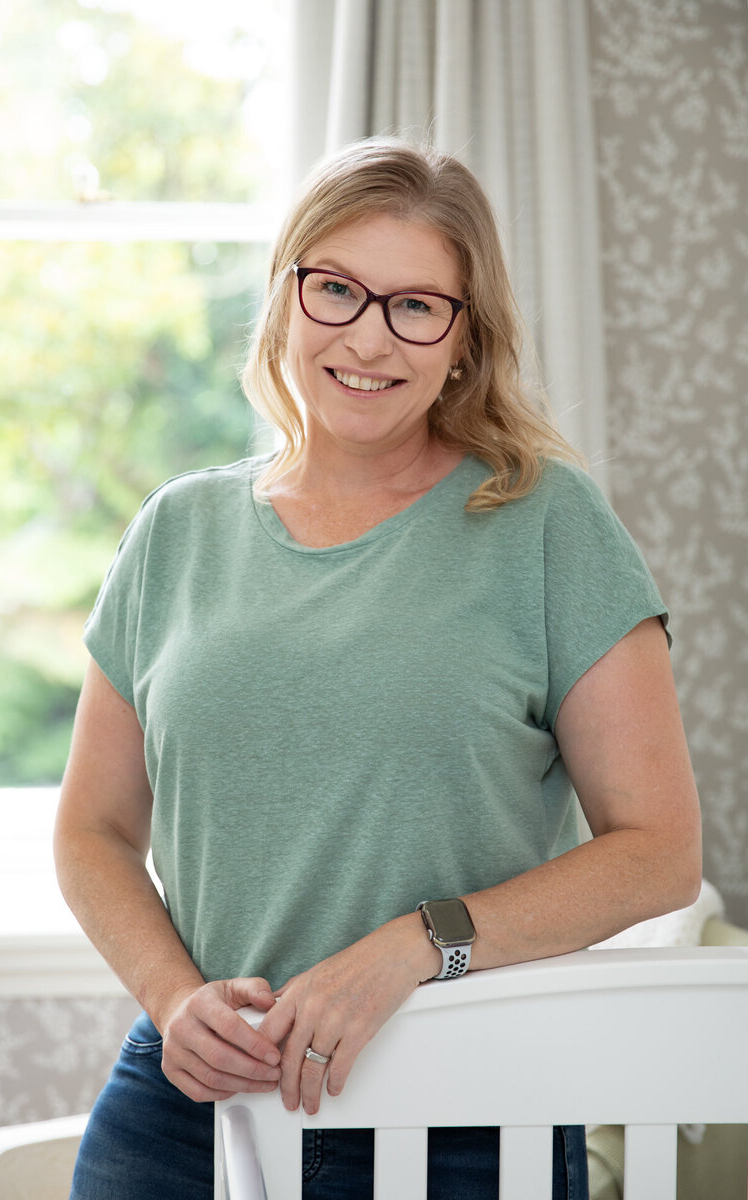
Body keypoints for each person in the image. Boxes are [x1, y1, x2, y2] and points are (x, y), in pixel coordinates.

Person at [55, 137, 702, 1200]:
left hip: (461, 1113)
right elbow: (92, 830)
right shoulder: (176, 531)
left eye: (414, 306)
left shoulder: (546, 526)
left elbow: (655, 854)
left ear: (463, 340)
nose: (368, 335)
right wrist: (175, 1001)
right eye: (337, 290)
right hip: (192, 1109)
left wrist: (414, 946)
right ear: (285, 297)